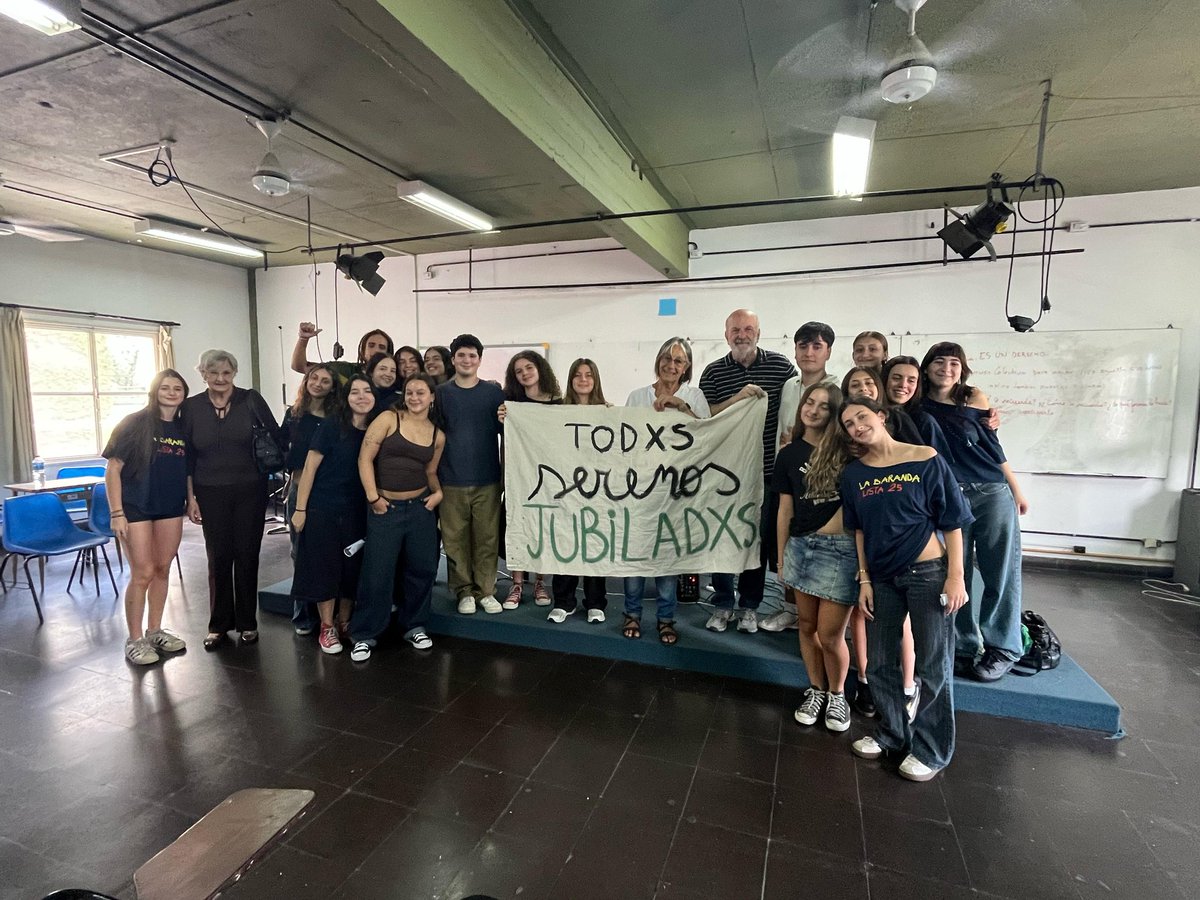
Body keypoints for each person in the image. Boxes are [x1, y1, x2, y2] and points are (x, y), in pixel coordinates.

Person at [838, 396, 973, 782]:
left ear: (880, 417)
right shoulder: (854, 475)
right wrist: (864, 579)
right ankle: (893, 734)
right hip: (881, 578)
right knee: (879, 663)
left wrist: (956, 575)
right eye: (848, 424)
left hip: (929, 572)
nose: (857, 426)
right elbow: (859, 531)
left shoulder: (925, 457)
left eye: (861, 416)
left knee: (933, 666)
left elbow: (954, 521)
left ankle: (931, 750)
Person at [920, 342, 1029, 682]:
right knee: (957, 572)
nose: (947, 368)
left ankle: (1004, 647)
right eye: (940, 361)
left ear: (962, 369)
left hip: (990, 490)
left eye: (954, 363)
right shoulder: (917, 404)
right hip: (950, 497)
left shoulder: (974, 398)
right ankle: (965, 645)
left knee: (1001, 570)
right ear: (927, 368)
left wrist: (1015, 487)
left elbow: (993, 446)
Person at [699, 309, 797, 634]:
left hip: (766, 473)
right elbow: (704, 418)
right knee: (722, 539)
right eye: (735, 330)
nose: (742, 334)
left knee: (756, 540)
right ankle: (723, 603)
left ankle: (750, 606)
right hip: (724, 474)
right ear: (726, 335)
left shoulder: (782, 367)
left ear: (759, 332)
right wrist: (737, 399)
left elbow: (799, 403)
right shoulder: (713, 373)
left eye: (748, 328)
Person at [182, 350, 281, 650]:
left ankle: (247, 623)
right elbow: (187, 456)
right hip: (209, 491)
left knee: (248, 555)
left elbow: (275, 435)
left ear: (234, 373)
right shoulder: (191, 407)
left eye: (227, 373)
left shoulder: (251, 400)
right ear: (203, 374)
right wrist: (191, 499)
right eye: (214, 373)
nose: (221, 379)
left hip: (251, 490)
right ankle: (219, 624)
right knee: (218, 557)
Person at [773, 383, 857, 732]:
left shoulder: (849, 452)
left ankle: (838, 694)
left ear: (834, 413)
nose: (814, 409)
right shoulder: (789, 453)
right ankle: (816, 689)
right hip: (801, 547)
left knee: (830, 635)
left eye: (824, 406)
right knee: (806, 627)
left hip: (841, 550)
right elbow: (784, 510)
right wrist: (780, 559)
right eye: (810, 402)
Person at [841, 363, 923, 718]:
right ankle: (865, 679)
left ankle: (907, 685)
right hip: (862, 537)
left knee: (899, 620)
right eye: (854, 384)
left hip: (904, 542)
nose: (863, 387)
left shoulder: (907, 433)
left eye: (868, 384)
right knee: (862, 610)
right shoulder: (849, 442)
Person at [344, 374, 445, 661]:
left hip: (420, 509)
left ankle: (415, 625)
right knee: (377, 572)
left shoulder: (437, 434)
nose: (414, 397)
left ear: (432, 397)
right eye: (410, 392)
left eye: (421, 393)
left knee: (423, 568)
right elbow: (364, 459)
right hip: (385, 508)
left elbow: (431, 472)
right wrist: (373, 498)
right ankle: (364, 633)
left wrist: (438, 494)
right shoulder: (389, 419)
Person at [623, 338, 711, 643]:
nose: (671, 365)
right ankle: (632, 613)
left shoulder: (694, 395)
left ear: (686, 367)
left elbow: (707, 435)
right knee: (634, 552)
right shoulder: (637, 396)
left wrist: (681, 407)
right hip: (640, 488)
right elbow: (623, 440)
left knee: (667, 555)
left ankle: (665, 618)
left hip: (678, 489)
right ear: (658, 360)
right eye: (667, 358)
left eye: (679, 361)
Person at [102, 369, 191, 665]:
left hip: (169, 507)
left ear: (184, 393)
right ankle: (135, 639)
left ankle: (155, 631)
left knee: (163, 568)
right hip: (135, 507)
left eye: (177, 388)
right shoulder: (135, 423)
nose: (171, 392)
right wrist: (117, 513)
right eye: (165, 387)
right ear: (155, 391)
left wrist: (191, 501)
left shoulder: (183, 427)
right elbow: (113, 468)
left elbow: (188, 471)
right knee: (143, 572)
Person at [290, 374, 375, 654]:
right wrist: (300, 509)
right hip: (322, 508)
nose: (361, 397)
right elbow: (310, 468)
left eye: (367, 391)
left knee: (352, 570)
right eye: (355, 392)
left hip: (357, 511)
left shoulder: (376, 430)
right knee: (324, 568)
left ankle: (344, 622)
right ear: (346, 398)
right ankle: (326, 627)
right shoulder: (330, 426)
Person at [437, 334, 506, 615]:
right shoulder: (440, 393)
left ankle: (486, 590)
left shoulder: (493, 394)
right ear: (453, 359)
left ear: (479, 360)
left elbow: (508, 433)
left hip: (487, 479)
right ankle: (464, 591)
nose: (467, 360)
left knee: (487, 539)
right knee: (455, 541)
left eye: (472, 356)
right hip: (450, 479)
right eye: (461, 355)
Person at [548, 359, 612, 624]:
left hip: (598, 491)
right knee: (566, 545)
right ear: (571, 380)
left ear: (595, 379)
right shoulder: (557, 412)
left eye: (588, 375)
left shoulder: (607, 412)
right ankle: (564, 601)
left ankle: (595, 602)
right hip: (566, 491)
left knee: (595, 546)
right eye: (577, 375)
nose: (583, 379)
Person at [498, 349, 562, 608]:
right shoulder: (510, 403)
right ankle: (516, 583)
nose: (524, 373)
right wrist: (501, 418)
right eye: (518, 371)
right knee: (517, 525)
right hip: (518, 474)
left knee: (542, 528)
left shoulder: (559, 403)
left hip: (549, 477)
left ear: (540, 369)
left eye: (529, 368)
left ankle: (539, 582)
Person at [280, 364, 338, 636]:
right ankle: (303, 614)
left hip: (327, 491)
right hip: (298, 487)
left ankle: (330, 614)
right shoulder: (293, 415)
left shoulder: (336, 417)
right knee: (299, 551)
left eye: (325, 380)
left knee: (327, 553)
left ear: (332, 387)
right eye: (314, 377)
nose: (318, 383)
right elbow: (286, 451)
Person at [776, 321, 838, 450]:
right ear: (795, 350)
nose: (809, 353)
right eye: (803, 346)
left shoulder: (837, 389)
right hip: (783, 465)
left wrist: (797, 443)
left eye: (817, 347)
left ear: (828, 352)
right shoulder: (789, 385)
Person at [290, 322, 393, 381]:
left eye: (382, 347)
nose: (376, 350)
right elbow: (299, 367)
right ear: (363, 350)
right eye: (371, 345)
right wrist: (303, 339)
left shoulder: (394, 379)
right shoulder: (345, 370)